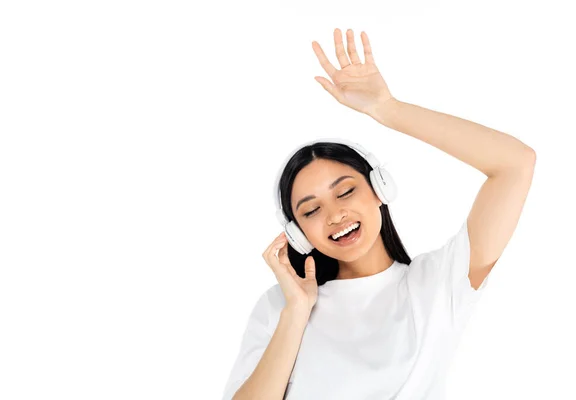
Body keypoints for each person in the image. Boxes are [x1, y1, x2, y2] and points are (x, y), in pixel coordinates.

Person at [222, 28, 536, 400]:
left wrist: (387, 109)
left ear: (380, 190)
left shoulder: (436, 286)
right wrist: (297, 312)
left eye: (346, 191)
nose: (335, 215)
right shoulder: (279, 307)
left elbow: (515, 164)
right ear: (298, 234)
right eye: (311, 210)